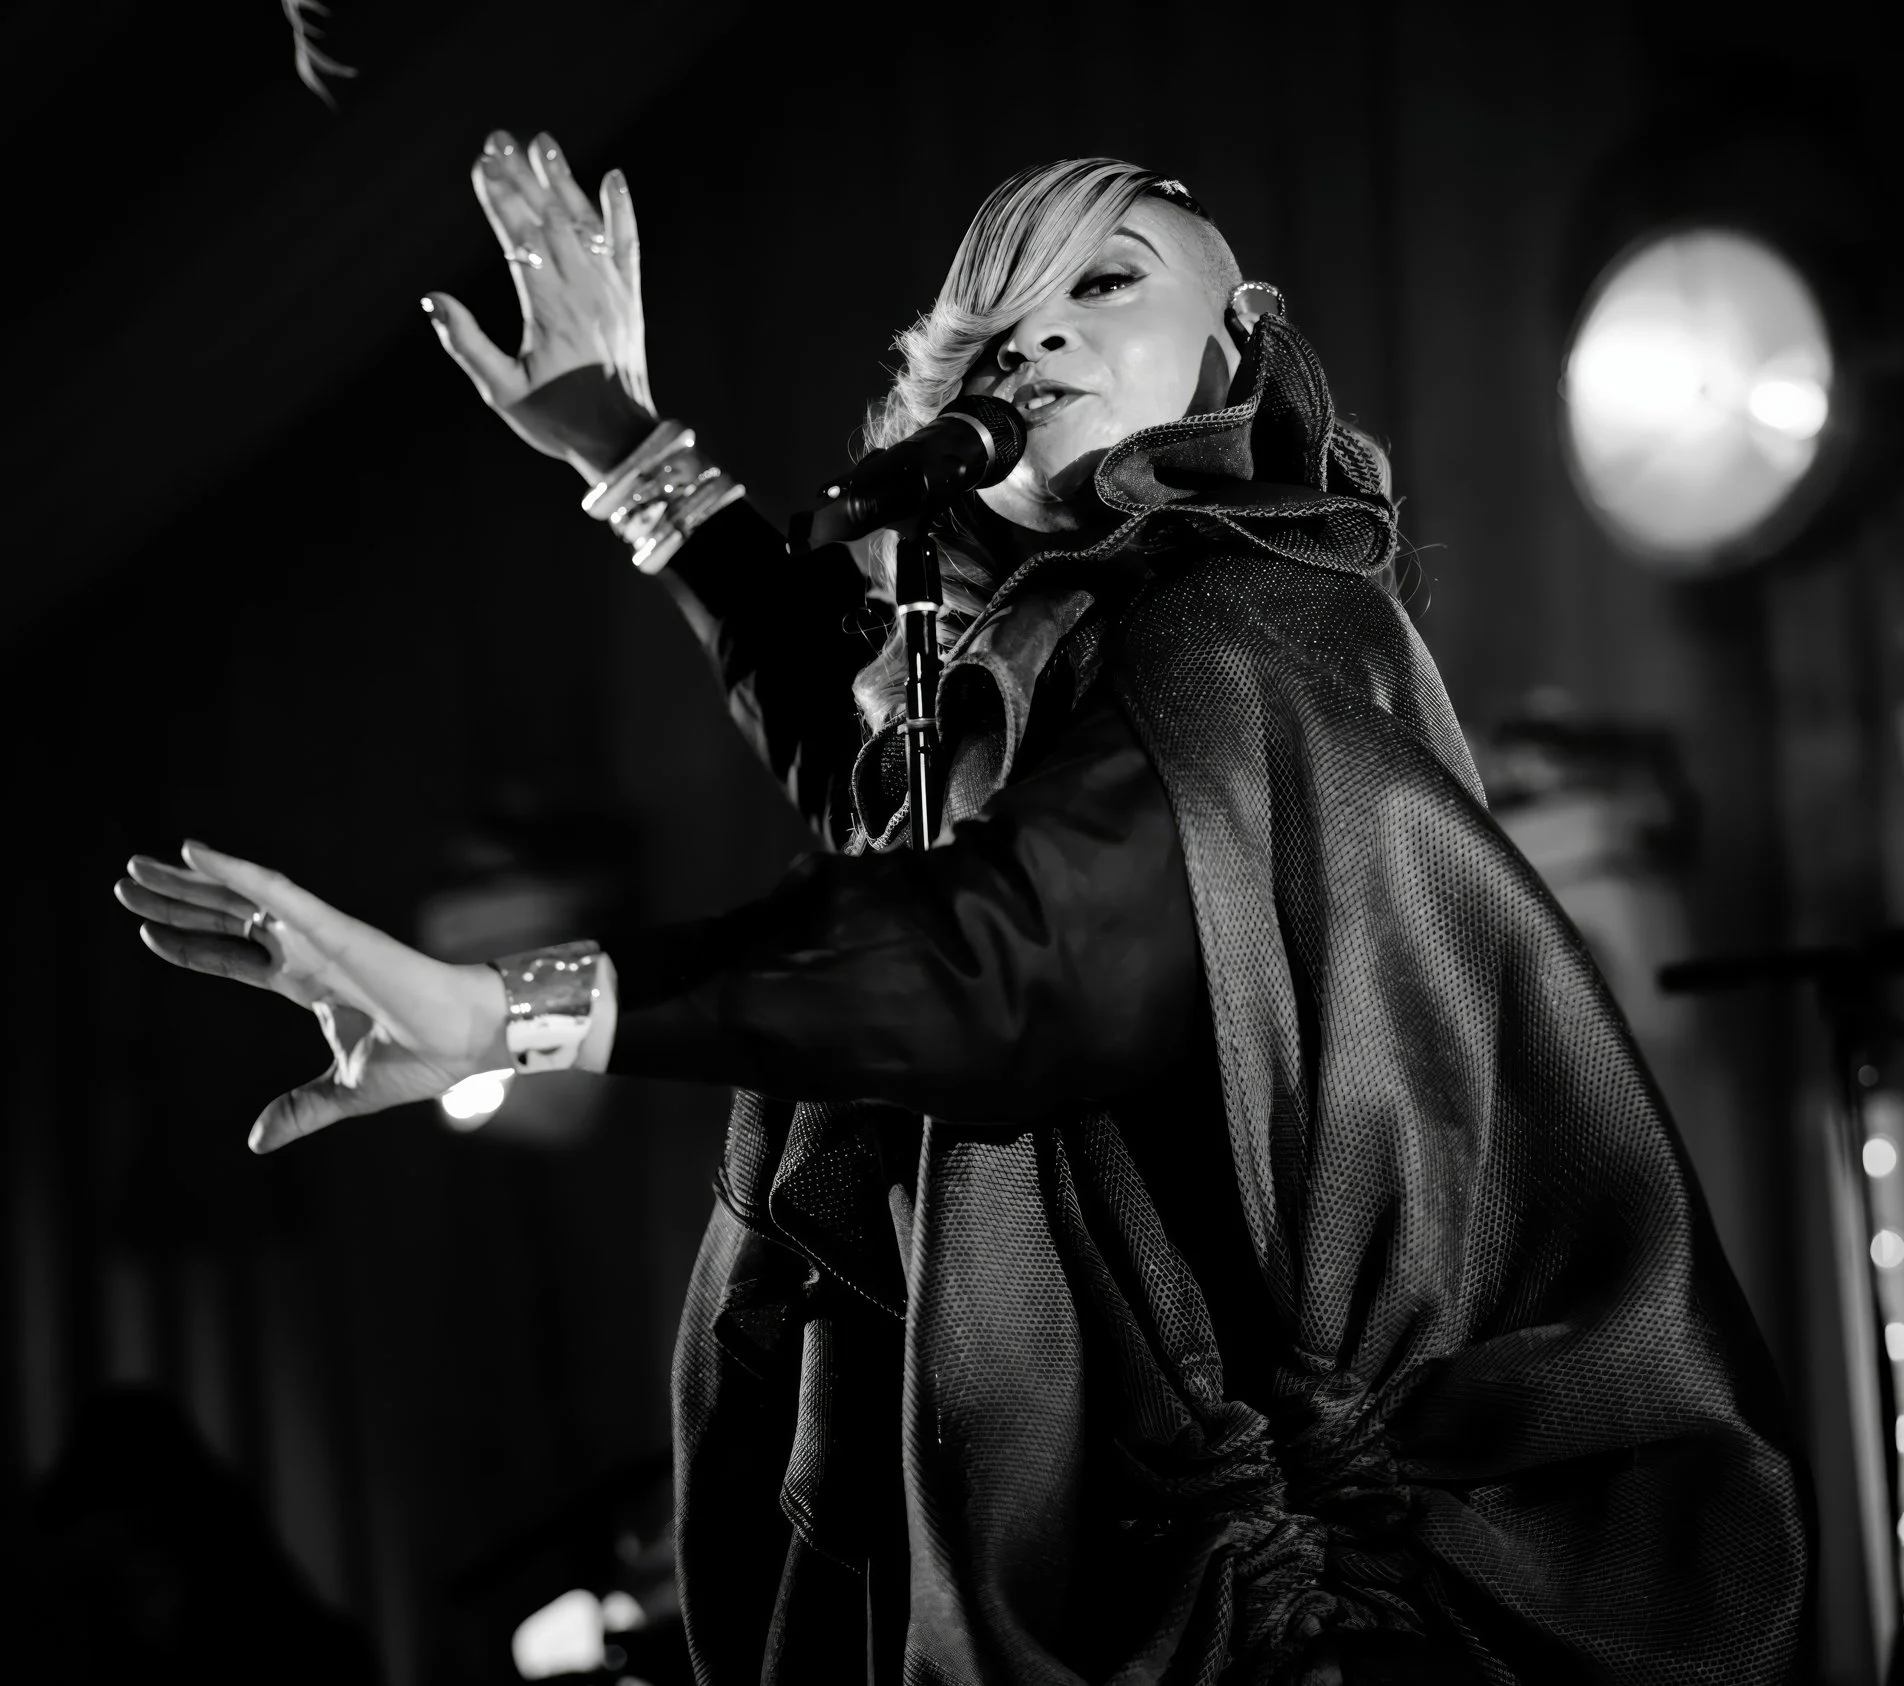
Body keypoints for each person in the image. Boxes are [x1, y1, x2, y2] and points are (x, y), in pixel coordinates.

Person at [114, 138, 1811, 1685]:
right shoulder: (1070, 671)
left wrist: (510, 1010)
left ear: (1237, 352)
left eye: (1107, 282)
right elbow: (885, 784)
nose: (1035, 335)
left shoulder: (1241, 632)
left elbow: (1018, 950)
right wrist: (626, 448)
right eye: (995, 315)